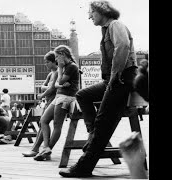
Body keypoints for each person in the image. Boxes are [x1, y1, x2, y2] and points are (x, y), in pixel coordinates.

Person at [59, 1, 138, 177]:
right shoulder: (106, 30)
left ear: (102, 11)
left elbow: (123, 46)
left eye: (91, 12)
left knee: (103, 121)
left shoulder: (115, 25)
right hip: (113, 79)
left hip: (122, 77)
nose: (89, 16)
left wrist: (115, 74)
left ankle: (83, 167)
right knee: (83, 95)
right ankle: (93, 133)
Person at [34, 45, 80, 161]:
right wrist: (60, 83)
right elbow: (57, 84)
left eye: (57, 57)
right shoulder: (66, 67)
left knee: (57, 125)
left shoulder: (71, 67)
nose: (57, 60)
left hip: (65, 97)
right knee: (43, 120)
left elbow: (59, 80)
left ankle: (47, 149)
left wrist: (59, 68)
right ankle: (46, 147)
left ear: (63, 55)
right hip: (59, 96)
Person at [22, 51, 58, 158]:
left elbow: (52, 88)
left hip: (54, 101)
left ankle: (39, 148)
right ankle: (38, 148)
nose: (45, 64)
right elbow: (45, 86)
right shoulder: (50, 74)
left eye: (47, 62)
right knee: (43, 123)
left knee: (44, 123)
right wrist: (47, 88)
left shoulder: (57, 73)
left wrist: (43, 93)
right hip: (49, 101)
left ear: (53, 61)